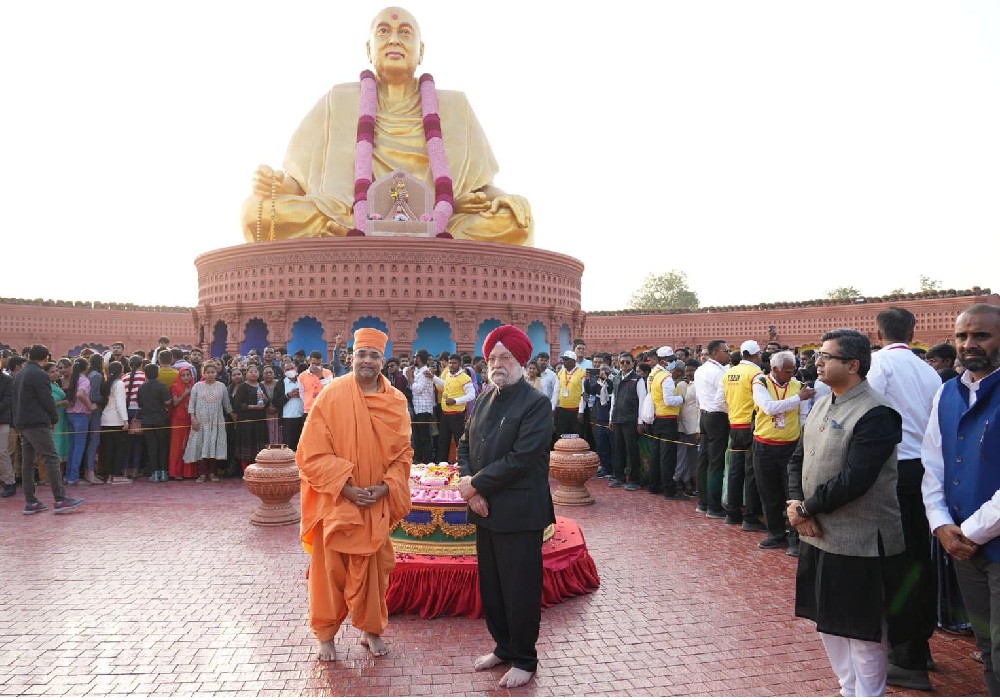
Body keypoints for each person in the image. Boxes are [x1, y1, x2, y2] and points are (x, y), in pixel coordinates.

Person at [242, 7, 531, 245]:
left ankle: (353, 243)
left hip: (439, 221)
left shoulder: (455, 106)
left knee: (516, 223)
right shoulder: (338, 101)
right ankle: (357, 238)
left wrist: (506, 200)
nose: (394, 39)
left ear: (421, 51)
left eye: (405, 33)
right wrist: (279, 186)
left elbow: (482, 188)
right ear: (370, 49)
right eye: (384, 32)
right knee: (256, 212)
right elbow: (300, 185)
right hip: (344, 216)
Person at [786, 329, 905, 698]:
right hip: (817, 531)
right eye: (818, 355)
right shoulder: (822, 401)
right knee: (828, 622)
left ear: (853, 365)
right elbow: (797, 460)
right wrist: (795, 505)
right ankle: (847, 688)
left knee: (861, 627)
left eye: (827, 356)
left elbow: (857, 478)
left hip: (860, 539)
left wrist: (807, 507)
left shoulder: (877, 413)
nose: (817, 362)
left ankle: (869, 693)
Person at [297, 328, 413, 661]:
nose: (366, 360)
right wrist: (346, 487)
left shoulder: (395, 401)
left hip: (374, 502)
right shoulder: (332, 395)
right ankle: (326, 636)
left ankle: (371, 631)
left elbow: (403, 454)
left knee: (374, 573)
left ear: (383, 361)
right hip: (337, 500)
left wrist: (387, 487)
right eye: (361, 354)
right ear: (351, 357)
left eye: (373, 355)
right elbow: (311, 453)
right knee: (329, 572)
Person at [457, 325, 554, 688]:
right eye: (492, 358)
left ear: (521, 362)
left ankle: (525, 658)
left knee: (520, 587)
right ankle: (503, 646)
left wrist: (477, 484)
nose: (497, 364)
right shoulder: (483, 396)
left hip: (519, 512)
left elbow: (522, 458)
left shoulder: (536, 403)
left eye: (505, 358)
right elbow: (465, 446)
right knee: (493, 585)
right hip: (485, 508)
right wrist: (473, 490)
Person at [921, 303, 1000, 695]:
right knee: (986, 645)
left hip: (982, 540)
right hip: (962, 545)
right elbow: (933, 462)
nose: (970, 344)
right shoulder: (947, 393)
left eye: (981, 335)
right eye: (962, 336)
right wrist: (939, 523)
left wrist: (967, 532)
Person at [865, 307, 943, 690]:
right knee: (917, 561)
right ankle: (918, 647)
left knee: (895, 564)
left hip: (894, 472)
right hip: (923, 471)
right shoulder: (928, 370)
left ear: (876, 331)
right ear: (914, 330)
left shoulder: (880, 365)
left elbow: (867, 413)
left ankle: (908, 656)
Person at [751, 350, 814, 553]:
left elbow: (803, 416)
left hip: (791, 447)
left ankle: (796, 539)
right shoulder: (761, 382)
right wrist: (798, 398)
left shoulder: (798, 386)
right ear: (775, 369)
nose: (792, 375)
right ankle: (776, 535)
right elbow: (769, 407)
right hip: (764, 445)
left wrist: (804, 442)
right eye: (788, 371)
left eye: (794, 370)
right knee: (769, 493)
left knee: (793, 493)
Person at [12, 345, 84, 514]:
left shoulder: (20, 374)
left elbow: (14, 400)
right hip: (37, 422)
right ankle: (60, 499)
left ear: (29, 355)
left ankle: (31, 501)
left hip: (22, 423)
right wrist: (54, 418)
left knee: (28, 462)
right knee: (51, 457)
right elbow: (47, 400)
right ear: (46, 358)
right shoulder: (39, 374)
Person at [720, 340, 766, 529]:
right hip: (750, 426)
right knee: (751, 473)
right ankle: (750, 517)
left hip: (734, 424)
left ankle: (732, 513)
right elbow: (761, 400)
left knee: (735, 471)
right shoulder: (756, 374)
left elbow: (722, 400)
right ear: (756, 355)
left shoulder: (729, 373)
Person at [694, 340, 731, 518]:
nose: (729, 353)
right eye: (726, 350)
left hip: (705, 416)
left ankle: (704, 502)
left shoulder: (700, 369)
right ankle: (714, 507)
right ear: (716, 352)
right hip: (717, 417)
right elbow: (721, 399)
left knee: (704, 460)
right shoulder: (718, 372)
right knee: (715, 463)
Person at [643, 346, 686, 498]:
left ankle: (654, 485)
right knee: (668, 457)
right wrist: (682, 398)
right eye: (672, 360)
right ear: (664, 361)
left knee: (656, 454)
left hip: (657, 418)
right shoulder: (666, 377)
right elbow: (669, 400)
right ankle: (669, 490)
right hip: (667, 419)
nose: (674, 363)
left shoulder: (653, 374)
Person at [184, 362, 235, 483]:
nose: (211, 374)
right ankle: (202, 473)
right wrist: (193, 419)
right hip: (200, 421)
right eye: (208, 372)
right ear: (204, 373)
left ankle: (212, 473)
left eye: (213, 372)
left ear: (216, 373)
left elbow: (226, 404)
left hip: (216, 421)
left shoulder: (221, 386)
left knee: (214, 446)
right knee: (201, 446)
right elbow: (192, 404)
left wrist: (233, 415)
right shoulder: (197, 386)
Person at [609, 352, 646, 491]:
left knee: (632, 451)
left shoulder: (638, 379)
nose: (624, 364)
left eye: (627, 362)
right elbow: (614, 399)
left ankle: (634, 479)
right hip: (618, 418)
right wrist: (611, 418)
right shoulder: (617, 378)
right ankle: (618, 477)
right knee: (619, 449)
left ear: (633, 363)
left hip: (631, 420)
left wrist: (640, 421)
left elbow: (642, 400)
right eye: (622, 362)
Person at [434, 353, 475, 462]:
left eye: (454, 363)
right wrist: (433, 377)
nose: (451, 365)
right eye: (450, 363)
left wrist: (455, 401)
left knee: (459, 441)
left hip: (456, 415)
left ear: (460, 364)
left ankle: (463, 464)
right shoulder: (448, 374)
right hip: (445, 414)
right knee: (443, 441)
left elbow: (471, 395)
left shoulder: (465, 378)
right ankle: (441, 465)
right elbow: (445, 384)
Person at [137, 363, 172, 483]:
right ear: (158, 373)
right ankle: (163, 472)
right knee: (162, 446)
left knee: (151, 446)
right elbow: (167, 402)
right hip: (160, 419)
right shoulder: (162, 386)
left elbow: (140, 404)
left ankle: (154, 472)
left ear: (145, 374)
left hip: (146, 420)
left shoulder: (142, 388)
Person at [99, 360, 131, 484]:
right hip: (117, 420)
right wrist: (125, 420)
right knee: (119, 449)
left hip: (105, 419)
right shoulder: (119, 384)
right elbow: (120, 403)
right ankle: (117, 474)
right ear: (121, 371)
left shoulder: (107, 383)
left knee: (108, 449)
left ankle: (109, 475)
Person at [233, 364, 270, 472]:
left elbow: (267, 403)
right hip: (246, 422)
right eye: (251, 372)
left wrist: (265, 399)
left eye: (255, 372)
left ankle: (258, 469)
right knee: (246, 447)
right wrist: (253, 407)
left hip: (260, 422)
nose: (253, 374)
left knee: (259, 446)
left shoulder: (261, 386)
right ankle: (246, 470)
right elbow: (237, 405)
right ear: (246, 374)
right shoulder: (243, 387)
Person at [404, 349, 436, 463]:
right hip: (417, 408)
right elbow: (405, 372)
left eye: (415, 357)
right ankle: (419, 460)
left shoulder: (425, 372)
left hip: (424, 409)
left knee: (425, 437)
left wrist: (410, 378)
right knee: (418, 436)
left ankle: (428, 461)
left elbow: (418, 389)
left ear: (418, 358)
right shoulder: (417, 371)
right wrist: (409, 373)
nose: (413, 359)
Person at [168, 367, 197, 480]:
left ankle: (189, 472)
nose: (186, 377)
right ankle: (176, 472)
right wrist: (185, 394)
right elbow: (175, 403)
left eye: (188, 375)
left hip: (191, 419)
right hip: (178, 420)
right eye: (183, 375)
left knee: (189, 446)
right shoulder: (175, 386)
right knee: (177, 447)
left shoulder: (195, 387)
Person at [553, 350, 585, 439]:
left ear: (573, 361)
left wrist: (581, 412)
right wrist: (553, 408)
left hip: (576, 411)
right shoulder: (561, 372)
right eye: (563, 359)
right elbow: (556, 391)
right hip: (562, 410)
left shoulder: (582, 373)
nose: (564, 362)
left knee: (576, 436)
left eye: (566, 359)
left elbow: (583, 393)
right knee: (561, 435)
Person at [280, 359, 305, 451]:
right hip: (288, 418)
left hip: (303, 416)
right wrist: (288, 395)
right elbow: (276, 401)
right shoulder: (281, 383)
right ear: (284, 371)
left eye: (292, 368)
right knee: (290, 446)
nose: (290, 370)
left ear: (296, 368)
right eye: (287, 369)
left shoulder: (303, 380)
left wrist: (301, 394)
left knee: (303, 444)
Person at [0, 365, 15, 497]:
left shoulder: (7, 380)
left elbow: (7, 400)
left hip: (2, 420)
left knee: (2, 452)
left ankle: (9, 482)